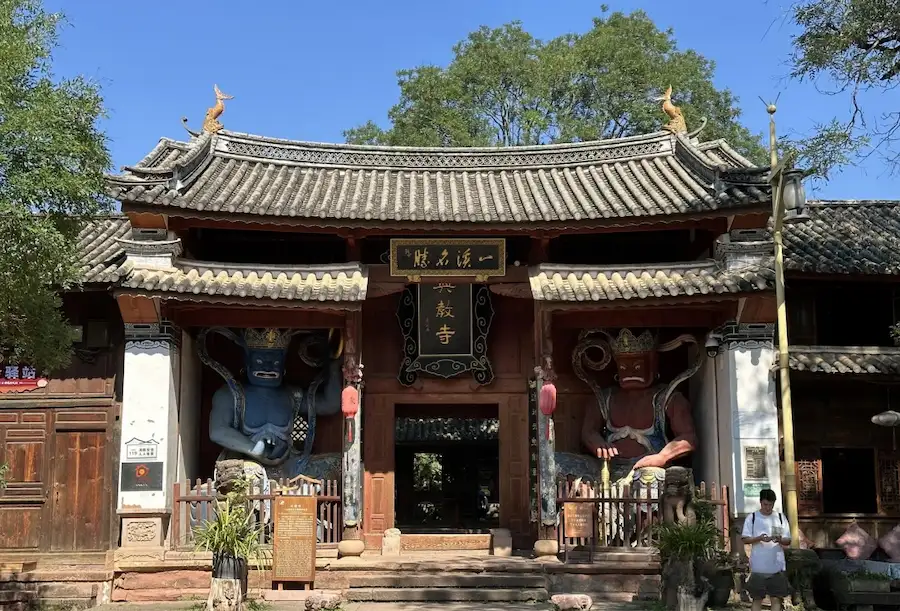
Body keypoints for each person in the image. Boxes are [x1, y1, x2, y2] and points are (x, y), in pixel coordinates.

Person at [741, 488, 792, 611]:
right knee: (757, 598)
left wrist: (779, 540)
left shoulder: (780, 517)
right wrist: (759, 538)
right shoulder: (752, 518)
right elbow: (745, 539)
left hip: (777, 566)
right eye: (765, 504)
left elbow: (788, 540)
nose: (768, 507)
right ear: (760, 502)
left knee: (776, 598)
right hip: (758, 567)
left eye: (770, 504)